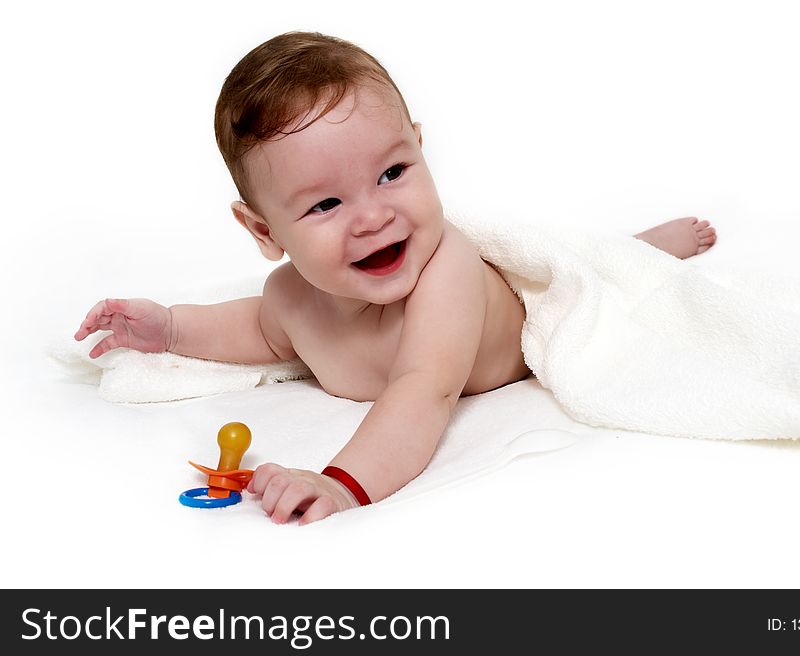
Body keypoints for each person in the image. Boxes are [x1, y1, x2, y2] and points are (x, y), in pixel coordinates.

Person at [74, 31, 716, 524]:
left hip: (524, 310)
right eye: (326, 205)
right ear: (265, 233)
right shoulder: (293, 300)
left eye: (392, 173)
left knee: (590, 274)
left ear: (418, 146)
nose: (374, 217)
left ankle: (639, 248)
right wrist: (169, 328)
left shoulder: (448, 272)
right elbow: (254, 330)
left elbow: (423, 391)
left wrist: (341, 483)